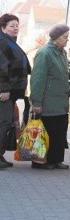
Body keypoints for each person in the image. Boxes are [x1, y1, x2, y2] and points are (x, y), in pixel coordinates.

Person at [30, 24, 70, 170]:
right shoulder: (45, 53)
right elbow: (38, 79)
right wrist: (37, 102)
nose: (67, 40)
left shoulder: (62, 53)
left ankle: (56, 160)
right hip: (48, 102)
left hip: (60, 103)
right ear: (56, 38)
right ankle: (41, 161)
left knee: (59, 133)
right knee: (47, 132)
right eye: (65, 37)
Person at [0, 14, 31, 169]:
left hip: (11, 90)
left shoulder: (10, 42)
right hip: (4, 92)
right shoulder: (3, 42)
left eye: (17, 25)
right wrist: (4, 89)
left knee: (6, 123)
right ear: (3, 27)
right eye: (12, 25)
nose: (16, 28)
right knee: (3, 122)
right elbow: (1, 68)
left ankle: (1, 155)